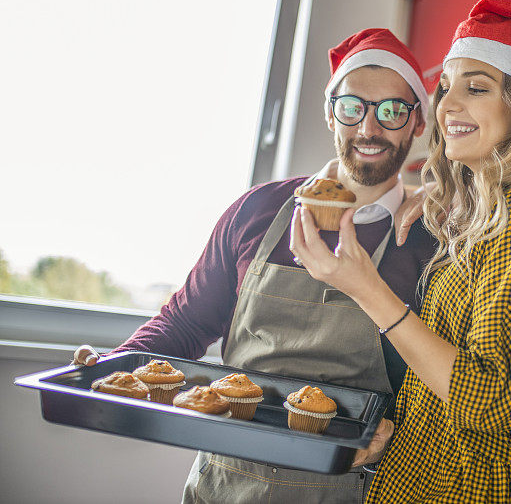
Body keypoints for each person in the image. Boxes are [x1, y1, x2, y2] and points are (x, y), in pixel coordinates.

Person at [72, 28, 436, 504]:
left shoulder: (431, 239)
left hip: (351, 488)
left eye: (392, 111)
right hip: (225, 483)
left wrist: (395, 437)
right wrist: (114, 367)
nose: (369, 129)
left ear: (418, 124)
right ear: (330, 114)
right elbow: (186, 320)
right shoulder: (258, 211)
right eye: (353, 107)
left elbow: (438, 380)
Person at [290, 0, 511, 503]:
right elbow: (445, 376)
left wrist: (366, 289)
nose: (448, 105)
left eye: (476, 87)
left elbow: (492, 399)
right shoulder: (489, 212)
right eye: (445, 88)